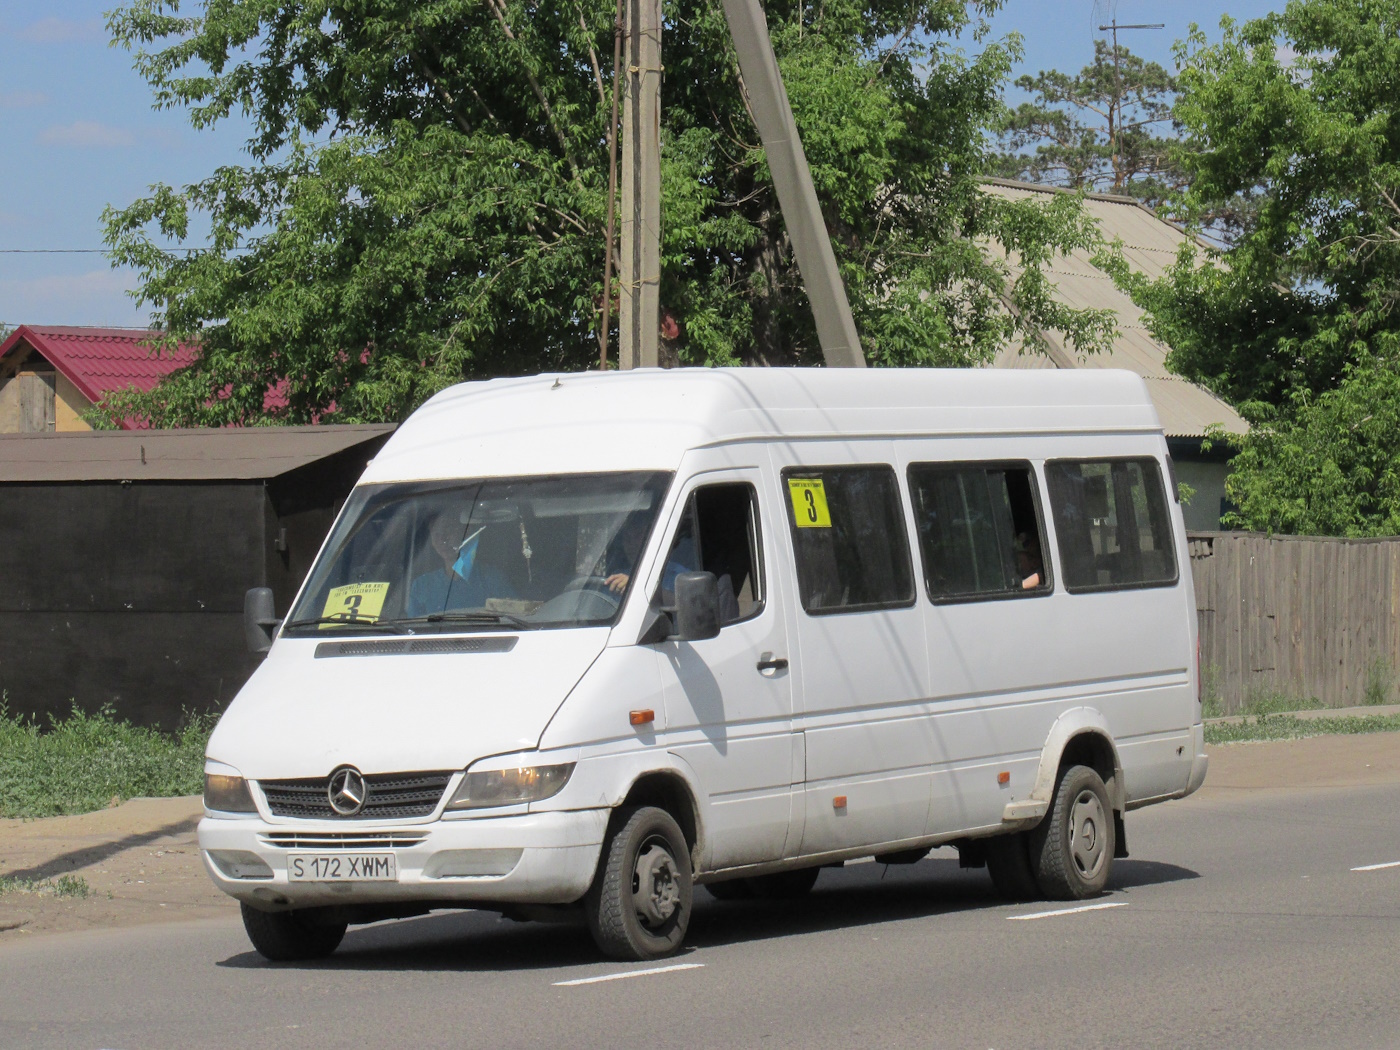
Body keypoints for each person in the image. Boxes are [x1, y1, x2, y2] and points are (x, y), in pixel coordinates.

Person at [406, 510, 516, 617]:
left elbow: (515, 617)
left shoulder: (491, 579)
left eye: (448, 530)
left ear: (465, 532)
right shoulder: (421, 586)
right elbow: (412, 630)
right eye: (436, 534)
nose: (442, 539)